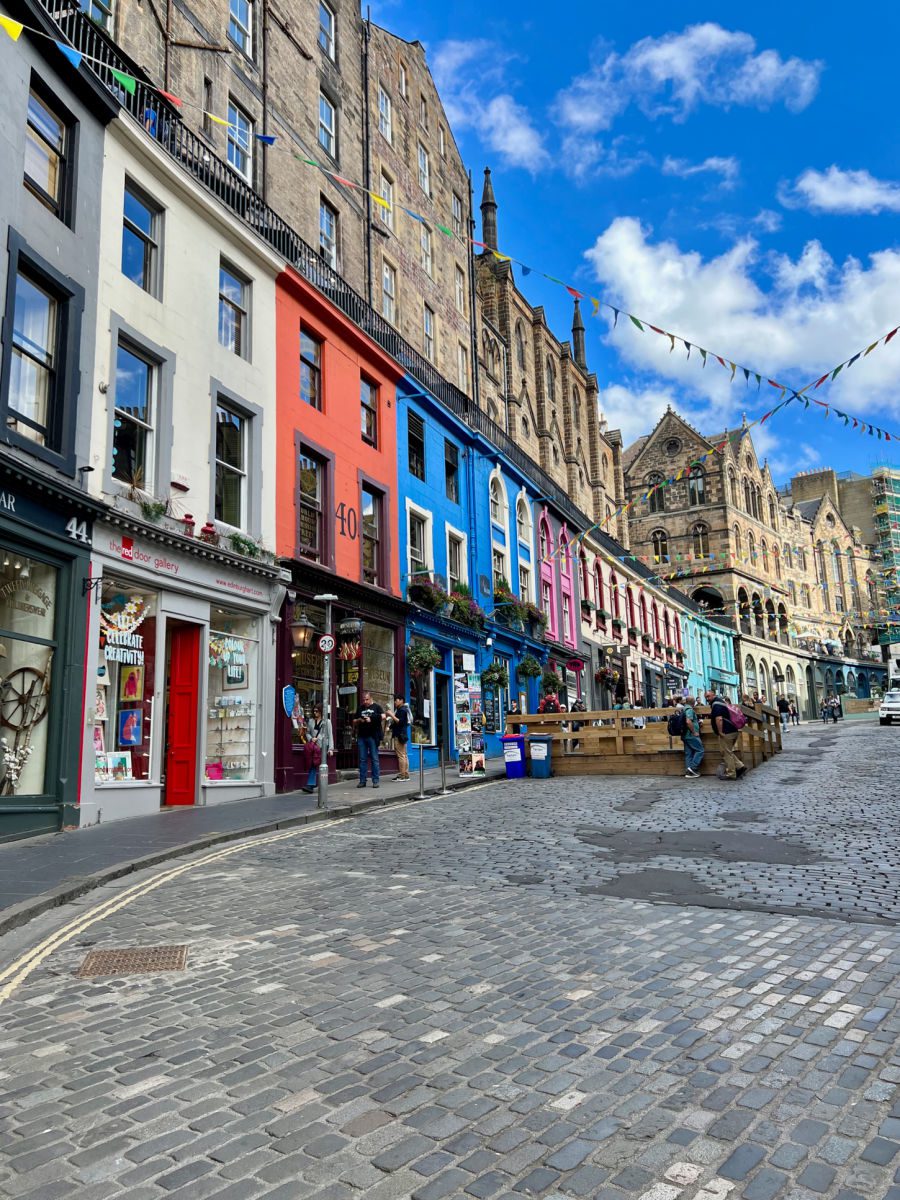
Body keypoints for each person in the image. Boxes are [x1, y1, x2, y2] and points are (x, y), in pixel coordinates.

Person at [704, 689, 746, 781]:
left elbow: (719, 719)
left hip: (727, 732)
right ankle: (740, 766)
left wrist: (720, 732)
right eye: (706, 697)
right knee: (727, 751)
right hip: (732, 730)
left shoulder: (716, 705)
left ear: (713, 695)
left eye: (708, 696)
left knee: (726, 752)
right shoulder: (721, 702)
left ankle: (731, 773)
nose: (707, 699)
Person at [353, 691, 384, 788]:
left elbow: (383, 716)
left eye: (367, 699)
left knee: (374, 759)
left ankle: (375, 781)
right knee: (362, 759)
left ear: (371, 698)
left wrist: (371, 719)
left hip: (372, 736)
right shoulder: (360, 708)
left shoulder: (377, 707)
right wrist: (359, 720)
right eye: (364, 700)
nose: (365, 701)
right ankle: (362, 781)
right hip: (362, 736)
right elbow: (354, 721)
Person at [301, 704, 331, 793]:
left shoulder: (327, 722)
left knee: (318, 765)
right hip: (313, 747)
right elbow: (307, 733)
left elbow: (330, 735)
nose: (315, 713)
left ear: (321, 711)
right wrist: (311, 738)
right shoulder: (311, 721)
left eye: (317, 711)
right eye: (314, 711)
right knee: (313, 764)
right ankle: (311, 784)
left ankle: (313, 784)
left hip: (322, 747)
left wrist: (331, 749)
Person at [386, 693, 411, 781]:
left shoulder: (402, 710)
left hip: (399, 735)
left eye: (396, 700)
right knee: (404, 755)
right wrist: (390, 727)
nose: (395, 702)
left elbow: (400, 722)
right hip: (402, 734)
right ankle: (406, 774)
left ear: (401, 700)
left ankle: (402, 775)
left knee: (401, 755)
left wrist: (391, 714)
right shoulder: (402, 709)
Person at [681, 696, 704, 778]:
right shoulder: (689, 710)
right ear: (693, 703)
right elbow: (688, 721)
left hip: (685, 735)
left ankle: (688, 772)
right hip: (690, 734)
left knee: (689, 753)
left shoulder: (683, 709)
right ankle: (693, 768)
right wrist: (694, 732)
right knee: (700, 750)